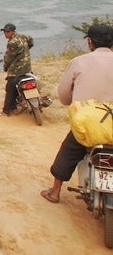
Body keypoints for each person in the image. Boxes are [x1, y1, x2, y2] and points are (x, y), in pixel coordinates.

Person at [40, 24, 113, 204]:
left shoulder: (79, 61)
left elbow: (64, 95)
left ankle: (55, 191)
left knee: (69, 150)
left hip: (88, 125)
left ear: (90, 41)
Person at [0, 23, 34, 117]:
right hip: (27, 67)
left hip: (17, 69)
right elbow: (31, 41)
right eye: (4, 31)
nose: (5, 33)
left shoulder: (12, 42)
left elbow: (9, 58)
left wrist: (5, 67)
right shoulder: (23, 36)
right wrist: (25, 51)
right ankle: (15, 107)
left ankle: (6, 111)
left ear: (13, 31)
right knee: (16, 86)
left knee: (9, 88)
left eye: (7, 32)